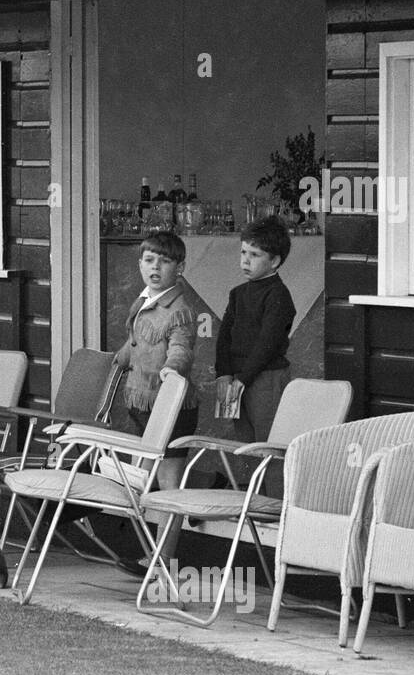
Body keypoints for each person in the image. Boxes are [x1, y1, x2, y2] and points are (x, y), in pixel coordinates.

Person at [108, 231, 200, 571]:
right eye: (149, 260)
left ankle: (163, 559)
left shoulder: (179, 310)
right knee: (139, 478)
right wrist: (116, 358)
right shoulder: (145, 298)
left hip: (172, 408)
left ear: (181, 267)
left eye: (164, 261)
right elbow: (135, 343)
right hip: (143, 403)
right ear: (140, 265)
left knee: (168, 484)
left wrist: (171, 370)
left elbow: (181, 347)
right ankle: (149, 550)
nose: (155, 267)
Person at [214, 219, 296, 447]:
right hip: (236, 378)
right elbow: (224, 338)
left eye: (255, 254)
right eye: (243, 252)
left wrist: (242, 379)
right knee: (245, 445)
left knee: (268, 445)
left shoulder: (278, 295)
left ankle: (274, 485)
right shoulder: (237, 294)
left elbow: (267, 344)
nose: (245, 260)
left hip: (265, 377)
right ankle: (251, 485)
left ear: (274, 261)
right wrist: (223, 373)